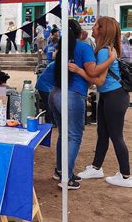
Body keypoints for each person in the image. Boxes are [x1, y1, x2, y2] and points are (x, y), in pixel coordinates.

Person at [49, 19, 116, 190]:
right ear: (80, 33)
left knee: (64, 134)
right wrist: (111, 59)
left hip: (56, 93)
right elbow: (93, 71)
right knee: (74, 136)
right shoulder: (84, 47)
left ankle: (60, 170)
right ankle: (67, 176)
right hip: (72, 95)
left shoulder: (62, 47)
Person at [70, 17, 131, 188]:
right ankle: (96, 167)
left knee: (116, 135)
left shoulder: (104, 52)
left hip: (114, 96)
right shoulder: (103, 50)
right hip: (109, 96)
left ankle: (126, 176)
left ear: (102, 30)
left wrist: (80, 71)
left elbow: (100, 81)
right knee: (103, 133)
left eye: (96, 25)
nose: (93, 27)